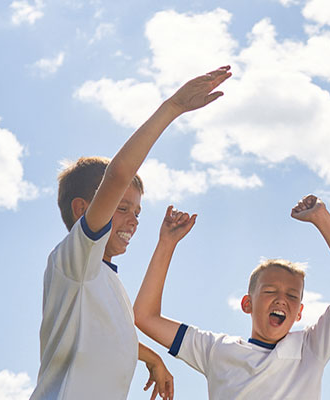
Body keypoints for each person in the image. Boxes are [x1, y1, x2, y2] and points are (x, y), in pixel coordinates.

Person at [32, 66, 231, 400]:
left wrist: (151, 357)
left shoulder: (104, 281)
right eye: (122, 208)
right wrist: (174, 107)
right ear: (83, 210)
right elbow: (118, 175)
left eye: (137, 212)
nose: (133, 220)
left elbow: (110, 335)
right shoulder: (75, 260)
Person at [132, 195, 330, 399]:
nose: (281, 300)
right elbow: (144, 316)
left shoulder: (310, 348)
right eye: (270, 291)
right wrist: (167, 243)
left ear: (299, 313)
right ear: (247, 304)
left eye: (292, 295)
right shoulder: (216, 349)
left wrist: (322, 218)